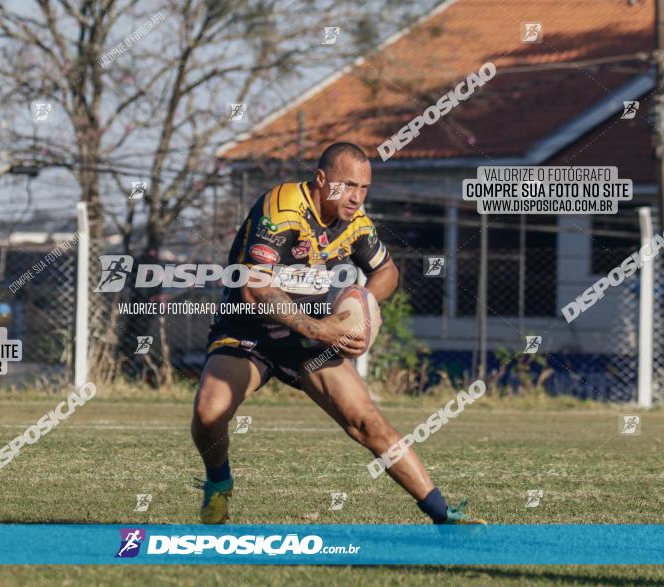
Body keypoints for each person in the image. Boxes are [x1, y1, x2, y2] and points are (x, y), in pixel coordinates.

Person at [192, 142, 485, 525]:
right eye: (348, 185)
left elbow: (388, 272)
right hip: (250, 328)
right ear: (321, 179)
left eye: (364, 188)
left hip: (307, 338)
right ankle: (218, 486)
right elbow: (254, 288)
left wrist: (361, 307)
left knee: (367, 423)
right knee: (209, 414)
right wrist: (324, 328)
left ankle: (444, 514)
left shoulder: (356, 222)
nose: (356, 197)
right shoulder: (283, 207)